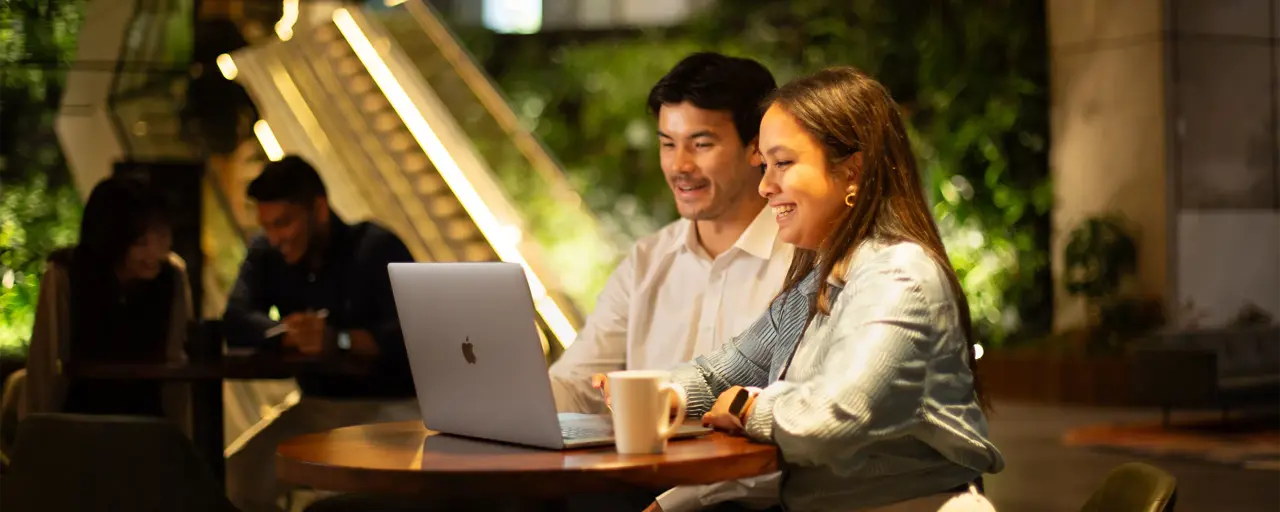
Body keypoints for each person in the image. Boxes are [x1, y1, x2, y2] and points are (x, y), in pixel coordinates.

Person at [603, 67, 1005, 511]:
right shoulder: (819, 278)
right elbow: (722, 371)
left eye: (784, 163)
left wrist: (745, 408)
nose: (765, 186)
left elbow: (832, 419)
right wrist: (666, 394)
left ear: (852, 170)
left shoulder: (899, 275)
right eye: (765, 166)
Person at [549, 52, 793, 416]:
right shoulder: (646, 262)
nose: (679, 165)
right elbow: (575, 384)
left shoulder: (801, 258)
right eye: (668, 143)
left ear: (757, 147)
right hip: (649, 472)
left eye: (701, 144)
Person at [222, 156, 419, 512]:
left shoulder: (375, 248)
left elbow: (412, 335)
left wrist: (337, 340)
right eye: (267, 226)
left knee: (340, 499)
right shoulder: (267, 252)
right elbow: (234, 318)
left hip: (393, 410)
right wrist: (285, 333)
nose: (275, 237)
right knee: (235, 478)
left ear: (319, 209)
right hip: (317, 407)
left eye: (284, 223)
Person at [21, 175, 192, 426]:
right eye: (141, 242)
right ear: (111, 238)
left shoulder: (171, 276)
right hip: (79, 425)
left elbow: (176, 362)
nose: (156, 253)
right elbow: (45, 368)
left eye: (163, 238)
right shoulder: (66, 275)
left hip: (149, 426)